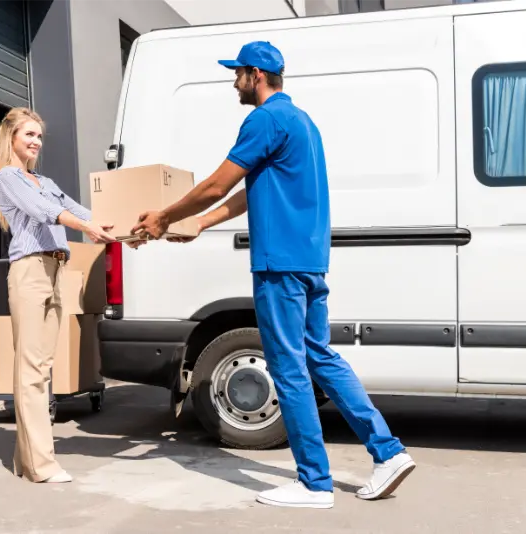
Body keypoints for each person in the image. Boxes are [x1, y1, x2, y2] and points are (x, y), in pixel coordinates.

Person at [131, 42, 415, 509]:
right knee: (320, 358)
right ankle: (388, 452)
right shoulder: (302, 122)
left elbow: (218, 183)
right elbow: (249, 191)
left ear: (256, 75)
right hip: (308, 261)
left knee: (288, 369)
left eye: (237, 73)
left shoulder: (263, 119)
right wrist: (200, 223)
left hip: (278, 263)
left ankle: (314, 482)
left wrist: (164, 216)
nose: (234, 81)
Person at [0, 107, 116, 483]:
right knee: (30, 369)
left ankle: (27, 461)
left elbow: (80, 211)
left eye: (39, 136)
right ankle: (40, 465)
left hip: (58, 268)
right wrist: (84, 227)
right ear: (10, 138)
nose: (36, 142)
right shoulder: (7, 178)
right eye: (29, 134)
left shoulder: (43, 179)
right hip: (30, 270)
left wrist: (122, 229)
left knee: (44, 368)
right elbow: (46, 212)